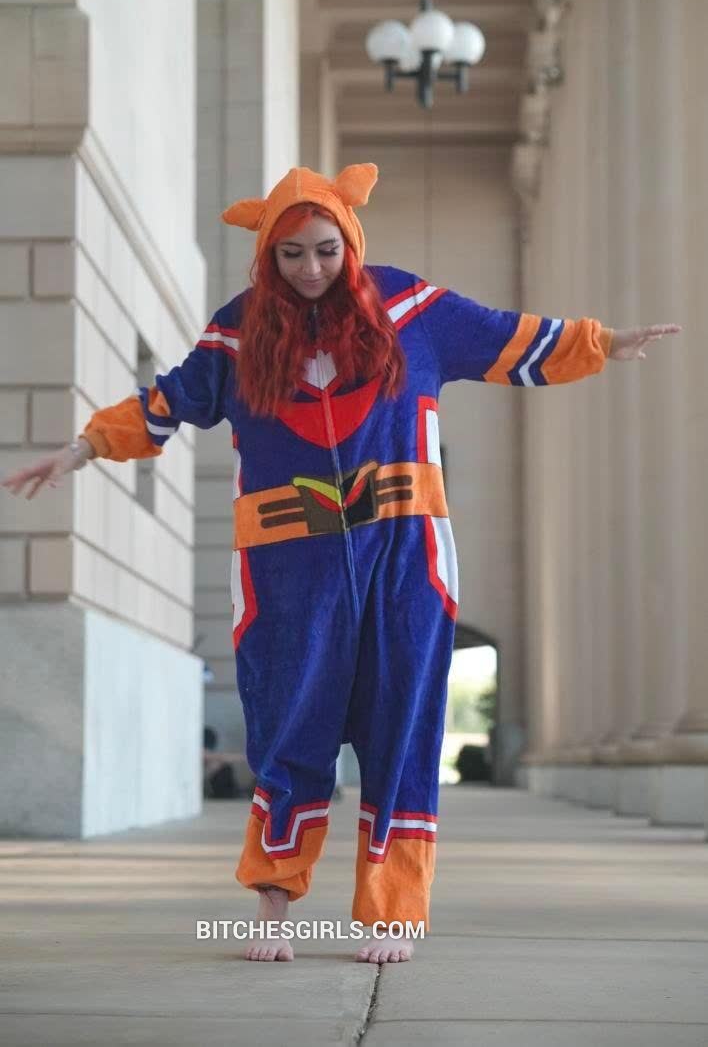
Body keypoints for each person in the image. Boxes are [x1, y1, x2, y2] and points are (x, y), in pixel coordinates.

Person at [2, 163, 681, 964]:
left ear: (350, 243)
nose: (310, 268)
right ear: (267, 254)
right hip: (285, 567)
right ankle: (272, 901)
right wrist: (81, 449)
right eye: (290, 254)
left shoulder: (409, 309)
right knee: (289, 726)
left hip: (406, 558)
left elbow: (507, 336)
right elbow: (166, 402)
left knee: (403, 729)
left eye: (325, 250)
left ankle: (392, 911)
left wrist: (603, 342)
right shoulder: (237, 331)